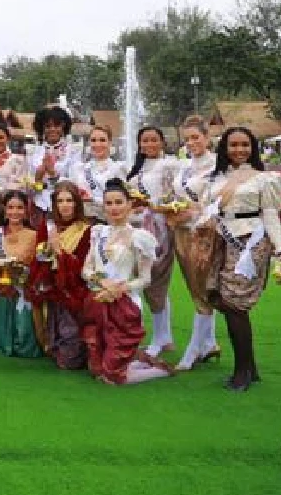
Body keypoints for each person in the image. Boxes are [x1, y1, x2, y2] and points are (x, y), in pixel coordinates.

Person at [201, 127, 281, 391]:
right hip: (223, 241)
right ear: (224, 149)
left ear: (252, 147)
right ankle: (250, 367)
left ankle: (242, 372)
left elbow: (271, 215)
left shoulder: (265, 178)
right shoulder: (216, 178)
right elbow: (207, 209)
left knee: (235, 304)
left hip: (251, 241)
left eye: (245, 145)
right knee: (223, 300)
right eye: (233, 145)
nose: (239, 150)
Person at [80, 179, 174, 385]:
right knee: (97, 370)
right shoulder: (98, 232)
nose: (114, 208)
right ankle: (132, 360)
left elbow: (145, 279)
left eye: (119, 202)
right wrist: (104, 283)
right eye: (109, 203)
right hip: (97, 300)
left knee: (112, 377)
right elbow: (86, 269)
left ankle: (159, 370)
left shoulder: (140, 237)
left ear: (130, 204)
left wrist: (121, 288)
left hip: (124, 305)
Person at [166, 117, 221, 371]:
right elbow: (174, 195)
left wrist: (194, 212)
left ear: (206, 137)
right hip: (181, 232)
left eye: (195, 137)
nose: (191, 143)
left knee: (203, 291)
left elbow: (216, 203)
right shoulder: (183, 166)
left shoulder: (217, 166)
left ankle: (192, 352)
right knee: (193, 289)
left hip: (203, 234)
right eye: (187, 139)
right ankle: (209, 343)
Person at [125, 126, 178, 358]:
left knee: (157, 280)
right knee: (142, 280)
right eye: (144, 140)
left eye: (153, 140)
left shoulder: (170, 166)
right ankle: (159, 335)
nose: (149, 144)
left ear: (162, 142)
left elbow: (172, 198)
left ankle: (162, 337)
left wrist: (152, 206)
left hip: (160, 227)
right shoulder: (136, 168)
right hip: (137, 227)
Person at [27, 181, 91, 370]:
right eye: (60, 201)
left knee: (69, 356)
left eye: (69, 200)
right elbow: (38, 256)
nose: (64, 205)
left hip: (73, 288)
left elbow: (82, 265)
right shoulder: (48, 227)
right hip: (50, 284)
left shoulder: (85, 230)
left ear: (77, 203)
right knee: (51, 328)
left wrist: (59, 251)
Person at [0, 190, 45, 358]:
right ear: (4, 209)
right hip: (3, 286)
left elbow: (38, 265)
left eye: (20, 207)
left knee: (24, 334)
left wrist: (22, 271)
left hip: (24, 288)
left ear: (26, 211)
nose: (15, 212)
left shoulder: (34, 236)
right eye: (11, 207)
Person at [27, 106, 80, 229]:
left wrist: (53, 174)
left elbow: (75, 182)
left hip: (64, 205)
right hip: (39, 204)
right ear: (42, 128)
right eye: (48, 126)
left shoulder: (73, 151)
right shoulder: (33, 151)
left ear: (63, 127)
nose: (52, 129)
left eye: (57, 126)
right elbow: (28, 186)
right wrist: (38, 179)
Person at [69, 125, 125, 221]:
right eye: (93, 140)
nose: (97, 144)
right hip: (83, 221)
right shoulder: (79, 168)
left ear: (110, 142)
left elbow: (122, 199)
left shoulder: (118, 168)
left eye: (102, 140)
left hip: (108, 221)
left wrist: (92, 200)